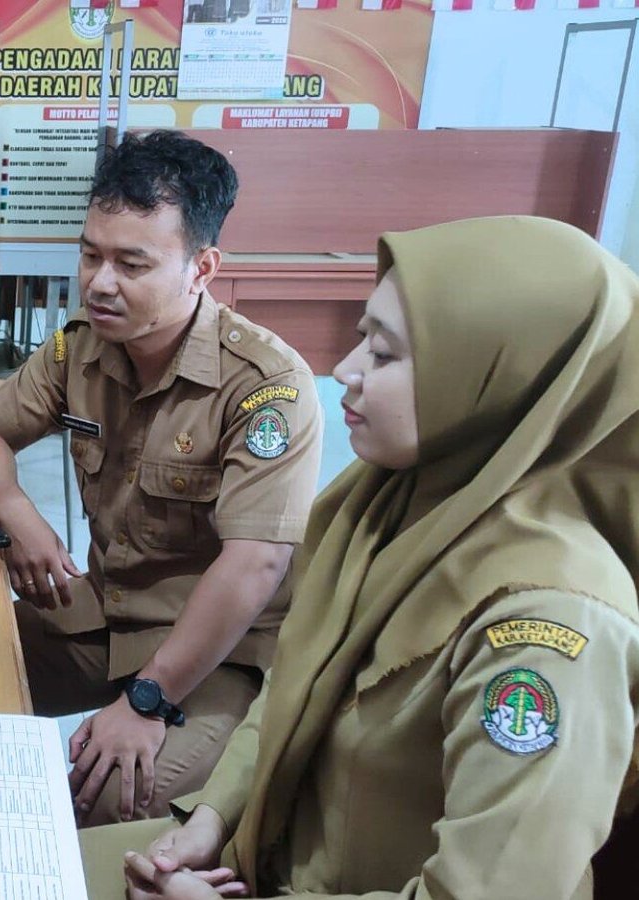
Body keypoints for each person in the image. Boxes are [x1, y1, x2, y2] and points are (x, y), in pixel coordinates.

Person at [87, 215, 639, 900]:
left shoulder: (551, 625)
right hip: (253, 860)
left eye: (384, 355)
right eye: (360, 341)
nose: (344, 372)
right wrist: (211, 819)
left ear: (496, 380)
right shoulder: (379, 508)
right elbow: (293, 691)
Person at [0, 130, 322, 825]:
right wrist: (17, 513)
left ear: (201, 268)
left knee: (100, 800)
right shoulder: (80, 347)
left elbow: (255, 565)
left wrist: (149, 700)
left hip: (220, 655)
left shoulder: (266, 388)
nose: (99, 282)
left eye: (132, 263)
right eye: (91, 254)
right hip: (109, 614)